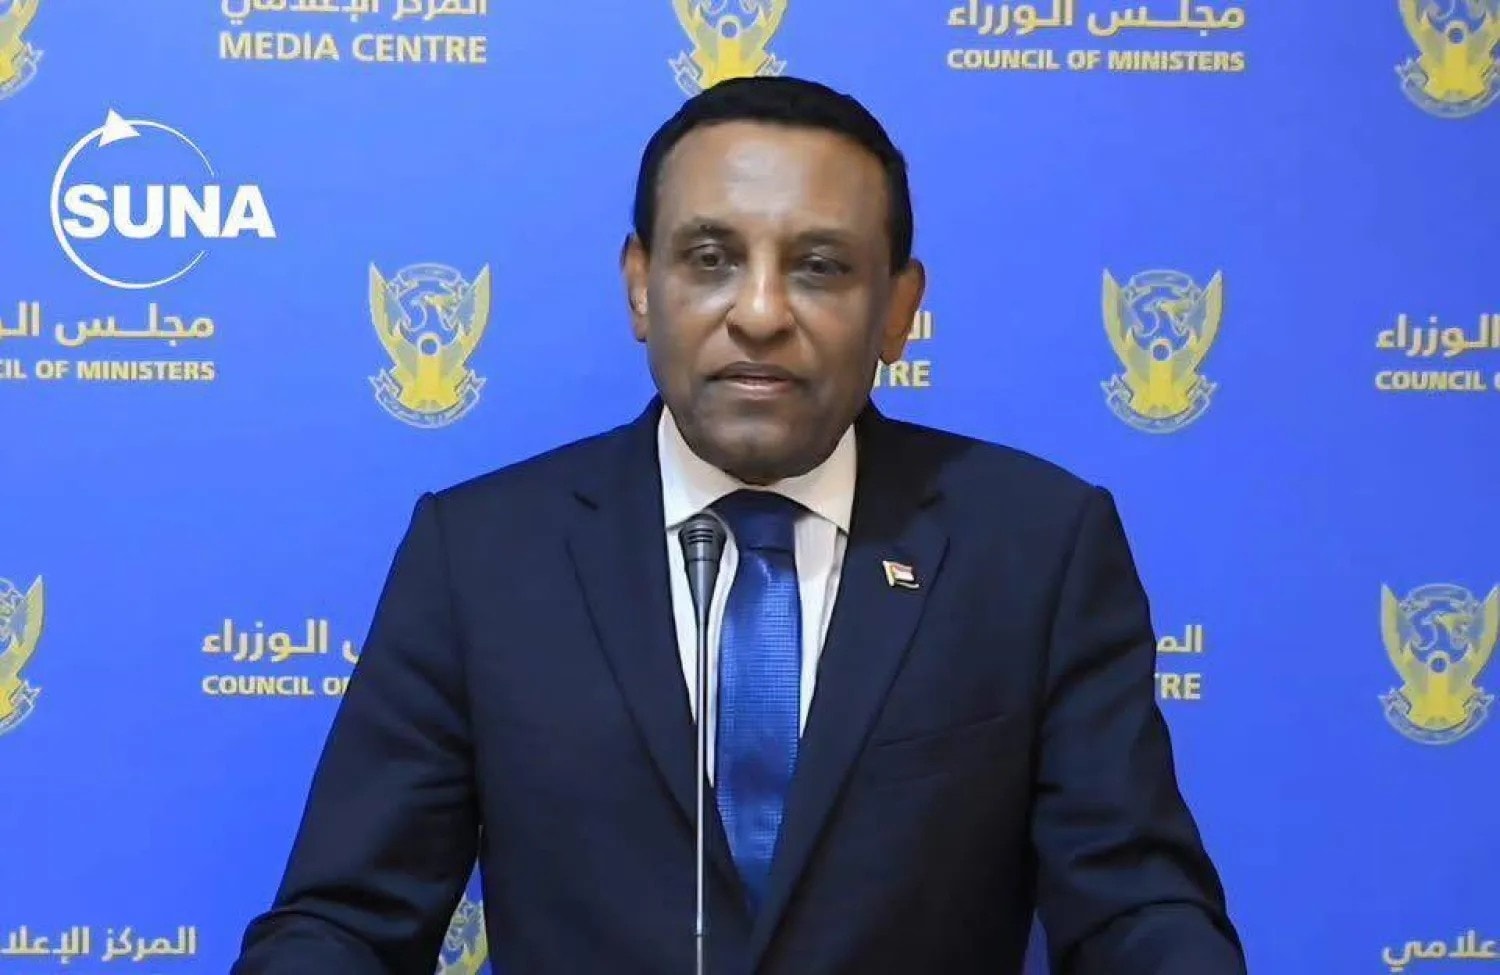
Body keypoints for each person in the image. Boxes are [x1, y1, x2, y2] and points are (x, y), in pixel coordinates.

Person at [231, 75, 1246, 974]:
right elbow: (347, 925)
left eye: (820, 267)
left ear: (900, 309)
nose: (759, 312)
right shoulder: (482, 555)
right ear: (641, 287)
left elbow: (1134, 909)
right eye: (712, 258)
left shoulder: (1035, 547)